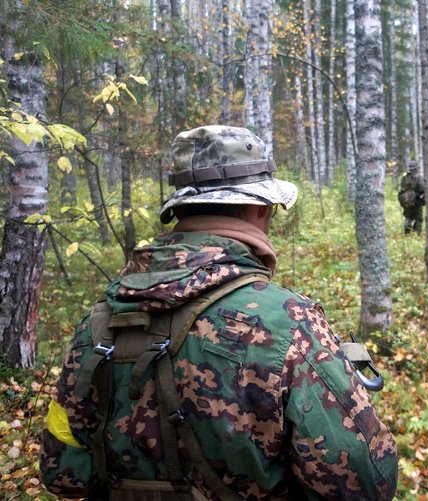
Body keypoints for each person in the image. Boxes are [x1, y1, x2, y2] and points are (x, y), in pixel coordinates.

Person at [41, 125, 398, 500]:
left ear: (179, 210)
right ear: (262, 209)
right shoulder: (288, 322)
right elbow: (364, 484)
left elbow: (63, 474)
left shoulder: (101, 319)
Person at [397, 160, 424, 235]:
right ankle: (417, 234)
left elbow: (402, 188)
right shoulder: (419, 177)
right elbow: (422, 188)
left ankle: (407, 232)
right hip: (416, 200)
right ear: (417, 168)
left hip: (405, 201)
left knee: (408, 217)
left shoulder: (404, 177)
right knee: (418, 218)